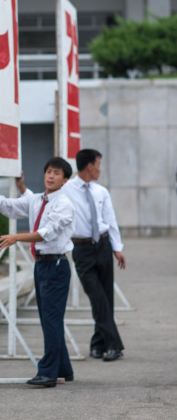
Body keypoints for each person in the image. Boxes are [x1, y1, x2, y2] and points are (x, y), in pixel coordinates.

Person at [0, 158, 75, 388]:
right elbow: (8, 205)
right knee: (50, 320)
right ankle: (63, 368)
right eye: (48, 171)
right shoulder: (37, 199)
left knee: (50, 320)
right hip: (41, 266)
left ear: (65, 179)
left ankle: (48, 373)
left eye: (56, 173)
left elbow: (46, 233)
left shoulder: (64, 204)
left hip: (56, 266)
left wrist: (16, 237)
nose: (51, 176)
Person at [62, 148, 126, 362]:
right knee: (97, 297)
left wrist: (117, 248)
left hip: (104, 245)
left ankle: (98, 344)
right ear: (90, 166)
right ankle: (114, 344)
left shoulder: (101, 192)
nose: (99, 169)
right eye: (98, 164)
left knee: (106, 297)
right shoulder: (66, 189)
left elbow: (110, 220)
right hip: (82, 249)